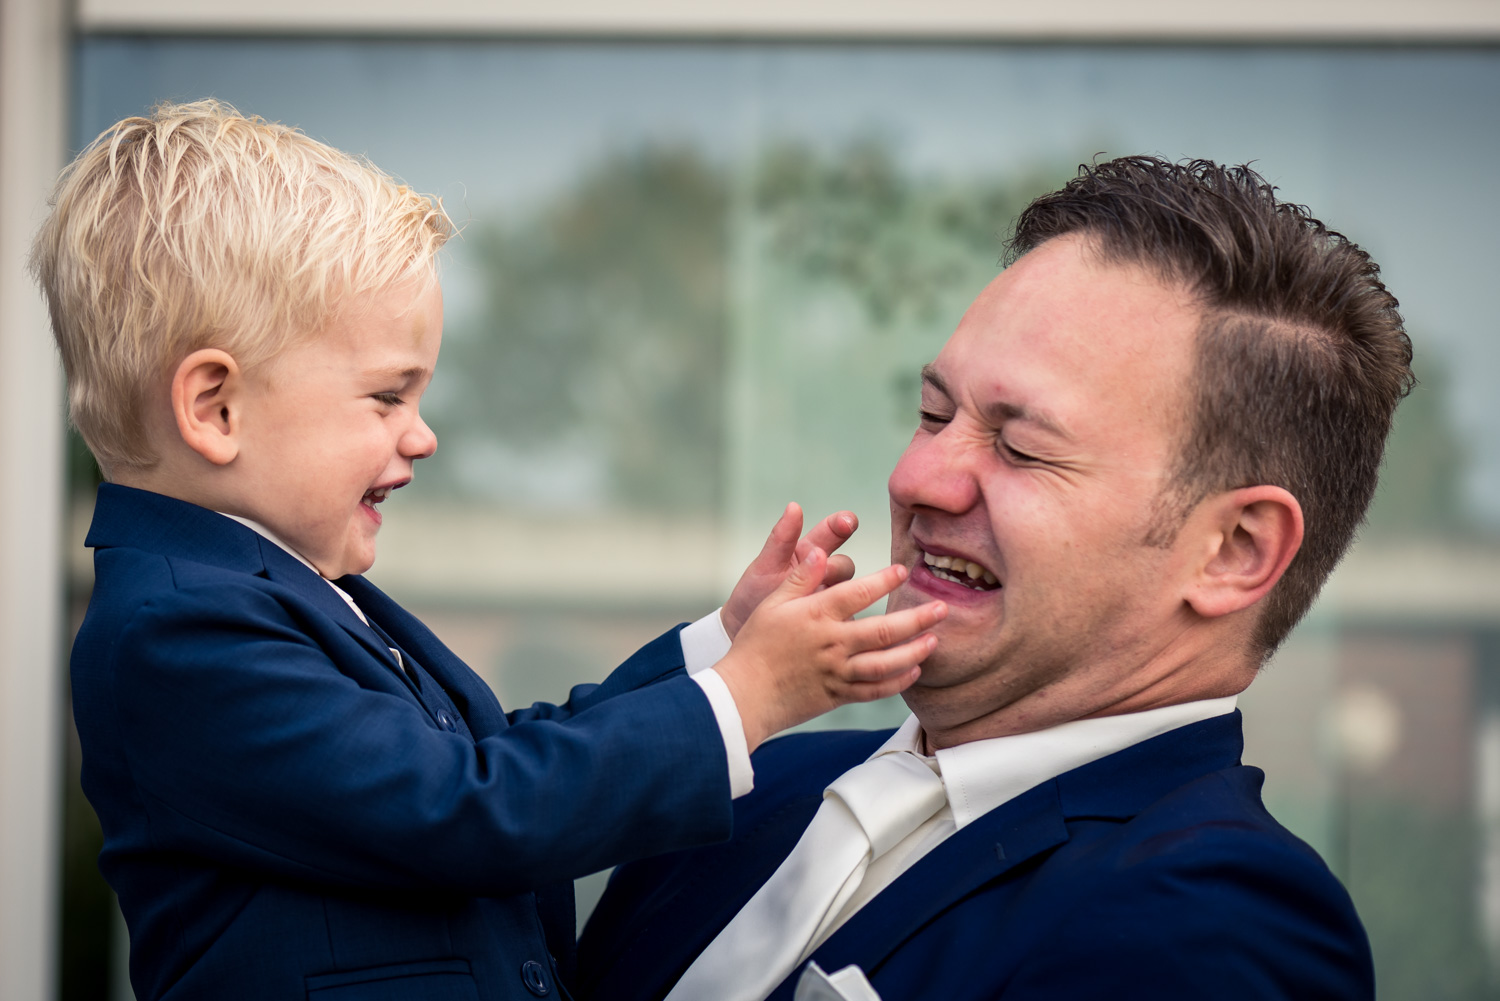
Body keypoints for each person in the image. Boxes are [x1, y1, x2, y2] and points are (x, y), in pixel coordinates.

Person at [31, 100, 948, 1001]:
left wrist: (721, 644)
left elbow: (503, 754)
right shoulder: (179, 632)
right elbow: (470, 807)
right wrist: (745, 698)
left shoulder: (282, 587)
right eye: (388, 397)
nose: (422, 436)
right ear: (215, 409)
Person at [577, 156, 1413, 1001]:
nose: (918, 479)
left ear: (1234, 550)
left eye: (1021, 447)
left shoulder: (1219, 927)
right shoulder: (745, 795)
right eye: (934, 414)